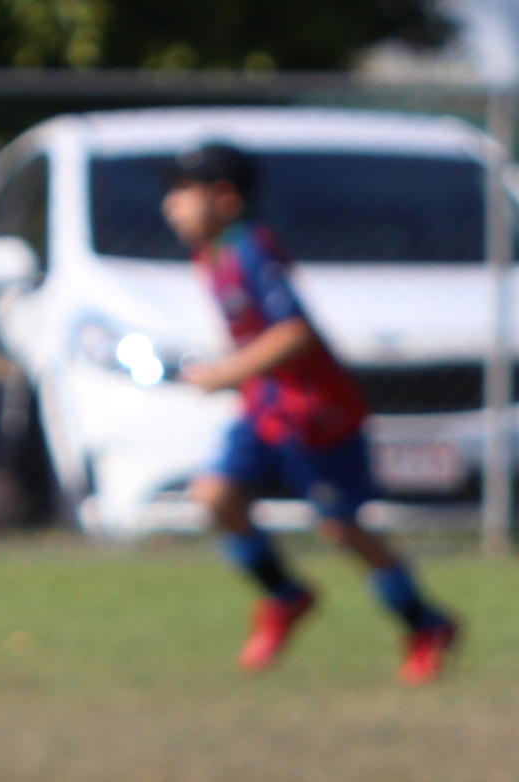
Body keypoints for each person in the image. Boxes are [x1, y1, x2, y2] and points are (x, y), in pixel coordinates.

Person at [157, 141, 454, 685]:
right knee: (215, 496)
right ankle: (287, 596)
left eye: (181, 192)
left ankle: (426, 622)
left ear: (224, 198)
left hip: (316, 413)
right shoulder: (212, 257)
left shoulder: (251, 249)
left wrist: (227, 372)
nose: (169, 206)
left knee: (343, 530)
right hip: (264, 410)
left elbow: (295, 333)